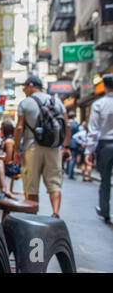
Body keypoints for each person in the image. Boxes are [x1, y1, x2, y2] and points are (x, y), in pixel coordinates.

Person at [13, 75, 71, 218]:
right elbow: (67, 125)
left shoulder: (25, 103)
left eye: (25, 87)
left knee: (31, 185)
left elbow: (19, 127)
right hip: (53, 147)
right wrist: (65, 146)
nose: (24, 90)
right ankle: (56, 213)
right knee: (54, 183)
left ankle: (34, 216)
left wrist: (15, 149)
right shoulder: (56, 101)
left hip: (32, 148)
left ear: (31, 85)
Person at [85, 73, 113, 223]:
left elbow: (94, 130)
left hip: (105, 146)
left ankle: (105, 210)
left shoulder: (99, 104)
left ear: (105, 86)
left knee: (105, 180)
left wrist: (88, 151)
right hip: (105, 145)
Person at [65, 111, 80, 179]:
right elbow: (78, 134)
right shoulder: (75, 125)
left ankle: (68, 171)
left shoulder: (66, 124)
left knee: (68, 157)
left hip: (67, 142)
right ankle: (70, 173)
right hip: (74, 143)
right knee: (72, 158)